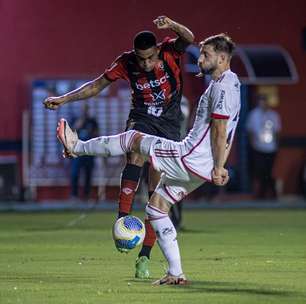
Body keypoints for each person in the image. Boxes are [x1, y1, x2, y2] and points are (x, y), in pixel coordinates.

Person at [56, 33, 241, 285]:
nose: (200, 59)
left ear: (222, 58)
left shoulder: (221, 87)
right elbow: (228, 132)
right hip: (201, 167)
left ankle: (75, 146)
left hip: (190, 157)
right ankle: (176, 273)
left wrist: (220, 166)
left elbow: (220, 130)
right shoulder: (232, 84)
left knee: (133, 139)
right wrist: (217, 167)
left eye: (206, 54)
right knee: (156, 208)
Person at [43, 15, 194, 278]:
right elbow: (96, 86)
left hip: (169, 125)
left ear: (157, 50)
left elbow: (189, 38)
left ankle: (144, 257)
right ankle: (122, 221)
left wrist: (172, 25)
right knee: (134, 152)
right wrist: (63, 99)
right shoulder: (126, 62)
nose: (145, 64)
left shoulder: (171, 51)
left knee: (155, 196)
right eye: (141, 59)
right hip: (142, 117)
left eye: (150, 58)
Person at [246, 95, 281, 199]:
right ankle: (265, 193)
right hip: (258, 148)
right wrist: (253, 145)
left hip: (271, 148)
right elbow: (250, 131)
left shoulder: (273, 115)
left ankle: (266, 194)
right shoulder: (253, 114)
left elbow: (277, 131)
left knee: (268, 171)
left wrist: (276, 145)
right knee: (260, 172)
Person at [70, 103, 98, 200]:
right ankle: (74, 195)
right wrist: (79, 124)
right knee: (75, 173)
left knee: (88, 173)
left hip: (89, 152)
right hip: (77, 152)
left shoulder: (92, 121)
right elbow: (71, 133)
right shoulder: (75, 120)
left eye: (86, 109)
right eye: (83, 109)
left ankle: (86, 195)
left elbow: (97, 135)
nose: (84, 111)